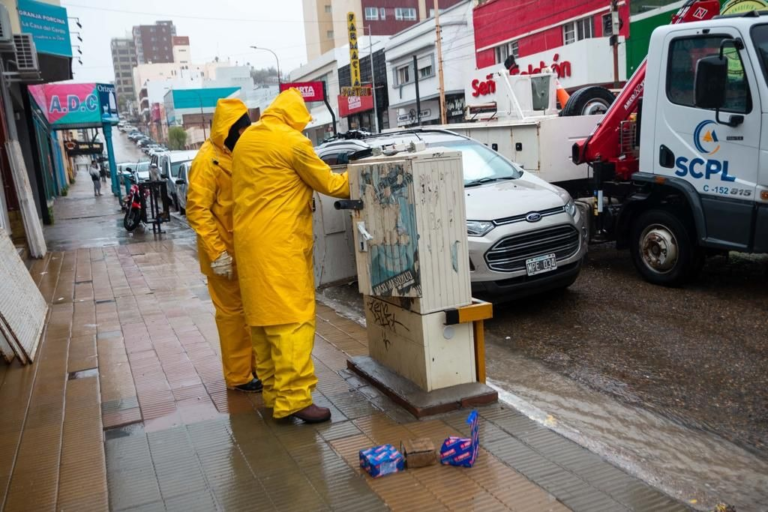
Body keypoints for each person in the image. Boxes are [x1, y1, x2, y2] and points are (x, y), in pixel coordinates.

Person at [232, 88, 350, 423]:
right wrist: (364, 173)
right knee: (292, 322)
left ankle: (273, 395)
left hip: (249, 247)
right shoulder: (292, 142)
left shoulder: (247, 140)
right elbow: (330, 183)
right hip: (280, 246)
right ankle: (296, 400)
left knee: (263, 324)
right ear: (295, 118)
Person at [186, 98, 262, 393]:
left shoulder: (233, 152)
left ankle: (254, 368)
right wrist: (217, 253)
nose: (244, 134)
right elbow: (197, 210)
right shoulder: (207, 161)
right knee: (232, 318)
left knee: (250, 313)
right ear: (228, 129)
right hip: (222, 256)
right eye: (240, 129)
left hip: (241, 250)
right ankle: (239, 376)